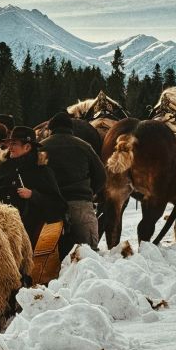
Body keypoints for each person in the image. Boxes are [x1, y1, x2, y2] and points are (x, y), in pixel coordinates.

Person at [40, 110, 106, 257]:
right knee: (87, 255)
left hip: (50, 207)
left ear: (51, 128)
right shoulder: (84, 146)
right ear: (71, 128)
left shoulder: (42, 147)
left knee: (48, 256)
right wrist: (89, 192)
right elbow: (101, 176)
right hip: (81, 205)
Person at [0, 126, 67, 248]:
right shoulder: (3, 166)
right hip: (0, 231)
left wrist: (33, 195)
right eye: (9, 143)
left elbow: (58, 206)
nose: (10, 147)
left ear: (27, 147)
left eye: (14, 144)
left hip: (28, 235)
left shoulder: (41, 171)